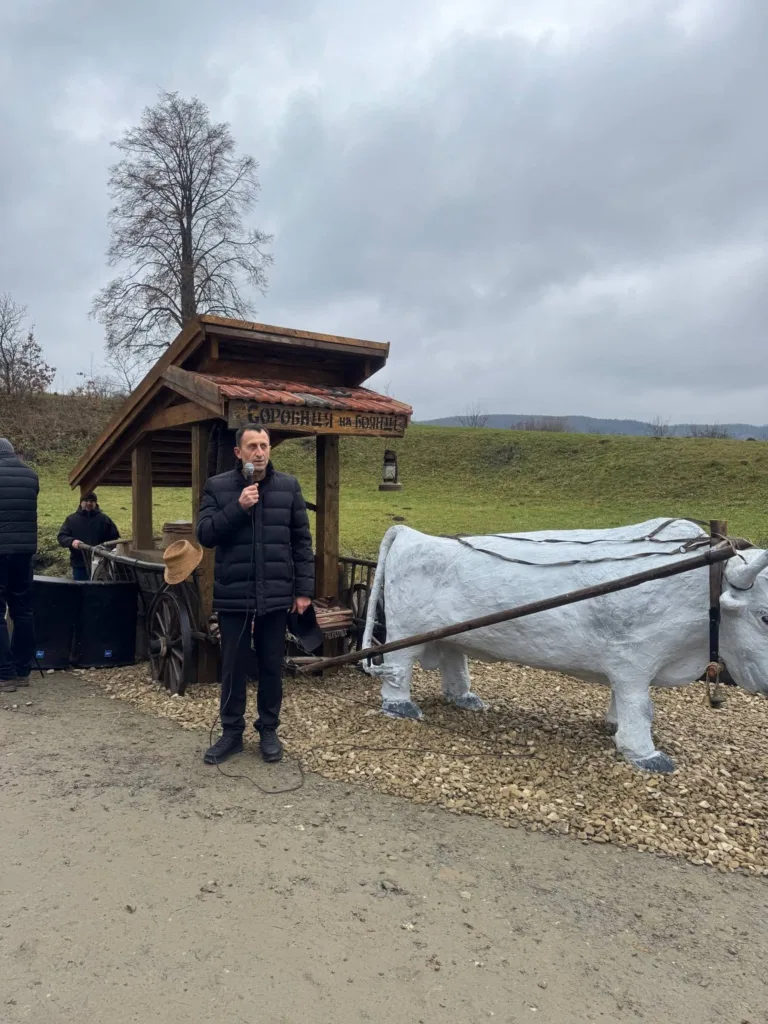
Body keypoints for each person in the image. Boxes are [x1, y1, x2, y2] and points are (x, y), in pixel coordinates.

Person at [196, 426, 314, 764]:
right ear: (239, 453)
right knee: (232, 665)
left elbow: (302, 542)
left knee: (271, 665)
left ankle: (268, 729)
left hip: (276, 594)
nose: (259, 452)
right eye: (252, 446)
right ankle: (231, 733)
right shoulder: (219, 487)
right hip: (235, 594)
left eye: (264, 445)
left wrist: (304, 590)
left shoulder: (288, 487)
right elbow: (205, 534)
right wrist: (238, 506)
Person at [0, 437, 39, 694]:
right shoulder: (31, 475)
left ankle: (5, 674)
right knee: (23, 611)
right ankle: (23, 671)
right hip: (24, 553)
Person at [57, 492, 119, 580]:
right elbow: (61, 537)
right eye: (86, 501)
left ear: (96, 503)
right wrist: (72, 541)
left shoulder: (104, 519)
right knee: (80, 590)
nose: (89, 503)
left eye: (92, 501)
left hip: (101, 564)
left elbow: (115, 538)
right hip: (79, 564)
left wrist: (106, 549)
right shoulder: (71, 519)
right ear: (81, 502)